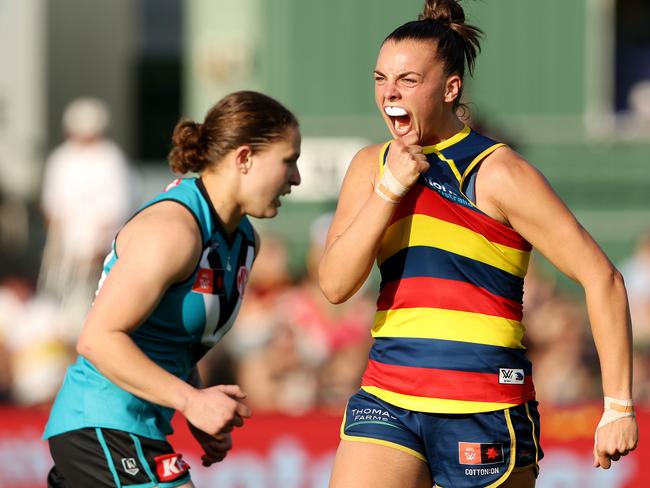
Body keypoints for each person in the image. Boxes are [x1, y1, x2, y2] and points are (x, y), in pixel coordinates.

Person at [318, 1, 638, 487]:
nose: (389, 94)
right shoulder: (370, 166)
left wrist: (618, 406)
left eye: (408, 80)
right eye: (381, 78)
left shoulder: (501, 173)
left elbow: (603, 278)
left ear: (451, 89)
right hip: (388, 399)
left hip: (484, 408)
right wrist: (389, 188)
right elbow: (335, 285)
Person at [42, 90, 302, 488]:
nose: (296, 179)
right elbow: (97, 339)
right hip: (101, 426)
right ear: (245, 158)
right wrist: (191, 402)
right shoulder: (173, 230)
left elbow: (169, 341)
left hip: (133, 431)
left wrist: (198, 405)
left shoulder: (243, 240)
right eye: (288, 161)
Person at [39, 97, 133, 344]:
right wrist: (59, 249)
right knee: (57, 314)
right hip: (65, 257)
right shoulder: (61, 158)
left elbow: (116, 209)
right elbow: (53, 208)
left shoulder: (111, 158)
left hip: (99, 254)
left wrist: (98, 248)